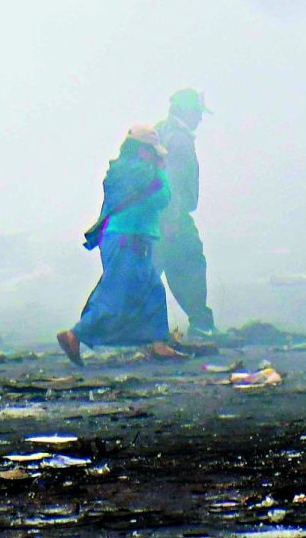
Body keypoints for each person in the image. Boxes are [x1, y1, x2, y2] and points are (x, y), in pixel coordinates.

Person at [58, 126, 180, 366]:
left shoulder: (123, 170)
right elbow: (162, 197)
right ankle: (76, 334)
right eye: (152, 152)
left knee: (152, 288)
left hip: (124, 238)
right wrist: (161, 171)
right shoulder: (142, 173)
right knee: (116, 295)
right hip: (129, 239)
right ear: (141, 150)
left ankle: (158, 342)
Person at [155, 89, 214, 336]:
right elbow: (173, 181)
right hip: (172, 216)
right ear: (186, 111)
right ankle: (201, 324)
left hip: (156, 215)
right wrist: (172, 218)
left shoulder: (161, 130)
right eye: (198, 113)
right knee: (191, 263)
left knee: (153, 270)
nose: (200, 118)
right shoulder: (180, 140)